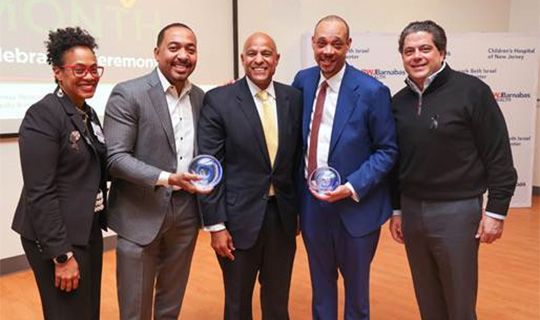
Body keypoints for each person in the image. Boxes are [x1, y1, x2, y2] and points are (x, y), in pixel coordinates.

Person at [389, 20, 518, 320]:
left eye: (425, 48)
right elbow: (395, 163)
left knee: (459, 301)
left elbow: (498, 155)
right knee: (427, 296)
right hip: (412, 211)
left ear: (442, 52)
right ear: (402, 57)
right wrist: (397, 210)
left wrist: (496, 212)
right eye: (409, 51)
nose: (417, 56)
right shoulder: (398, 103)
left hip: (457, 211)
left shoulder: (472, 91)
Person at [292, 15, 398, 320]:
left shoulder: (371, 91)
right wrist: (235, 91)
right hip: (313, 207)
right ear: (313, 44)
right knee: (321, 289)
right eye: (322, 43)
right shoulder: (303, 81)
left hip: (355, 207)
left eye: (336, 44)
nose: (328, 51)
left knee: (356, 297)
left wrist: (351, 186)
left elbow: (387, 150)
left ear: (348, 45)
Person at [103, 23, 208, 320]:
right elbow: (115, 158)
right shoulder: (129, 93)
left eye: (190, 48)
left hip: (186, 212)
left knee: (170, 305)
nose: (183, 55)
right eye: (174, 47)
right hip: (140, 212)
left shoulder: (201, 97)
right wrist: (166, 178)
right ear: (157, 52)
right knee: (135, 309)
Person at [197, 32, 302, 319]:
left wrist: (298, 214)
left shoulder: (294, 98)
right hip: (237, 221)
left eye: (266, 53)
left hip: (281, 219)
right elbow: (209, 168)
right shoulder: (219, 100)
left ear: (277, 59)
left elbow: (295, 162)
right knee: (237, 304)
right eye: (252, 53)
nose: (259, 59)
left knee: (278, 302)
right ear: (243, 58)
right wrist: (216, 225)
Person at [11, 27, 107, 320]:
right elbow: (40, 192)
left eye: (94, 69)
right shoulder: (43, 115)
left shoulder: (86, 113)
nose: (90, 76)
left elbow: (94, 165)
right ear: (58, 72)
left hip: (86, 227)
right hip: (56, 237)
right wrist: (62, 256)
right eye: (80, 69)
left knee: (87, 310)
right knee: (67, 314)